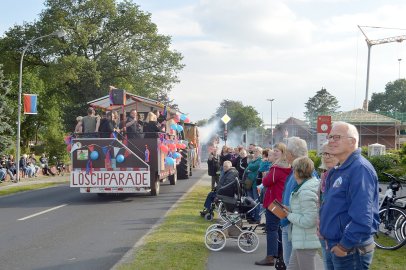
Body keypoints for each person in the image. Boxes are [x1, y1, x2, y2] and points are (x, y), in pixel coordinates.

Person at [319, 121, 379, 270]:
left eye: (336, 137)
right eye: (330, 136)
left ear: (352, 142)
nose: (331, 141)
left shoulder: (360, 169)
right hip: (336, 245)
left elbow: (362, 216)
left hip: (350, 250)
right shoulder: (338, 169)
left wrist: (344, 246)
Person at [256, 143, 291, 266]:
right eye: (274, 150)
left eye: (277, 151)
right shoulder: (288, 167)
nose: (275, 153)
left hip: (273, 202)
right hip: (282, 201)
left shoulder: (276, 169)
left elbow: (265, 181)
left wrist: (266, 175)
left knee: (271, 229)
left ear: (283, 153)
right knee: (281, 229)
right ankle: (281, 255)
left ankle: (270, 256)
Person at [280, 137, 312, 266]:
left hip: (293, 224)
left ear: (292, 154)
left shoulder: (304, 173)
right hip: (289, 221)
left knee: (293, 264)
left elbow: (307, 202)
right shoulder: (294, 171)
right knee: (291, 263)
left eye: (286, 152)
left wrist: (288, 213)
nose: (285, 155)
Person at [286, 157, 321, 270]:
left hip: (306, 241)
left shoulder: (306, 191)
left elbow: (309, 220)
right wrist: (290, 210)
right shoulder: (307, 186)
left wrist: (288, 215)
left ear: (297, 171)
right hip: (302, 239)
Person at [317, 142, 339, 269]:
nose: (327, 156)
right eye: (325, 153)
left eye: (331, 153)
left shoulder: (342, 175)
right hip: (324, 229)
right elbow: (320, 201)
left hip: (336, 233)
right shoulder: (324, 175)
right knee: (327, 264)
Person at [244, 146, 262, 224]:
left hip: (255, 183)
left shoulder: (260, 160)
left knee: (256, 200)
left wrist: (250, 166)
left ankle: (257, 217)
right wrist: (249, 166)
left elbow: (252, 167)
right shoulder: (254, 160)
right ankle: (252, 215)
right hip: (250, 182)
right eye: (254, 151)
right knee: (250, 200)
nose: (254, 153)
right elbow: (247, 168)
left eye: (256, 151)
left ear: (260, 153)